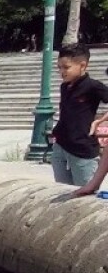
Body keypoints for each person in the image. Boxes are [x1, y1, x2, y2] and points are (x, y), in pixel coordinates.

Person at [49, 43, 108, 187]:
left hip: (83, 149)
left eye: (66, 67)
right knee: (62, 191)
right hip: (61, 146)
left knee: (84, 194)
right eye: (59, 68)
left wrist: (99, 121)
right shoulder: (64, 86)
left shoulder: (93, 86)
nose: (62, 71)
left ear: (82, 65)